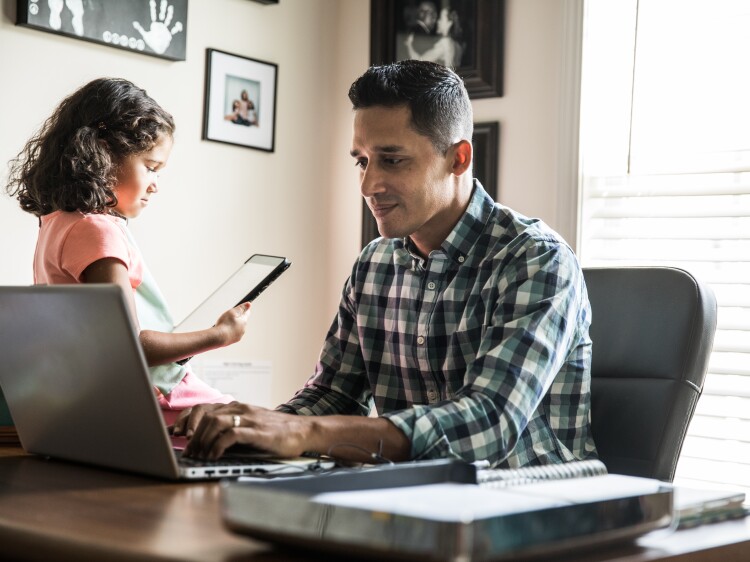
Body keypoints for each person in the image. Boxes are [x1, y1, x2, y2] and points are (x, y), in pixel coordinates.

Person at [174, 60, 597, 469]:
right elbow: (335, 394)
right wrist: (251, 429)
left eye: (392, 160)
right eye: (361, 160)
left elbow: (489, 425)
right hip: (410, 504)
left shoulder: (536, 258)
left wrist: (304, 434)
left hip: (532, 509)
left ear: (458, 159)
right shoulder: (374, 263)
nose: (368, 184)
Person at [5, 77, 251, 425]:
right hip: (158, 394)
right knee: (255, 426)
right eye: (150, 167)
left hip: (85, 401)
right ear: (102, 154)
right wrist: (220, 334)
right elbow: (127, 346)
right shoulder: (97, 231)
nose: (155, 184)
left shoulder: (55, 223)